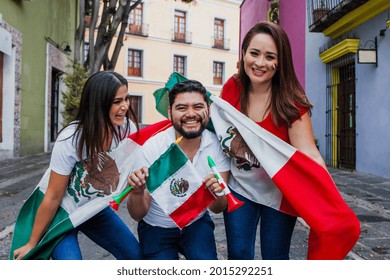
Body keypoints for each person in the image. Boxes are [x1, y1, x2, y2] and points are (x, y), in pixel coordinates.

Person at [221, 21, 327, 260]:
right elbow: (218, 131)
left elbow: (309, 153)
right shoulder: (231, 88)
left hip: (280, 193)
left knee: (275, 257)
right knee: (237, 256)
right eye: (254, 53)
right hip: (241, 187)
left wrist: (329, 196)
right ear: (244, 54)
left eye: (270, 56)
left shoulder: (292, 102)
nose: (260, 63)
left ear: (280, 63)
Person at [13, 71, 142, 260]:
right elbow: (53, 196)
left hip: (93, 208)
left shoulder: (127, 129)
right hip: (62, 212)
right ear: (98, 104)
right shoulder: (71, 138)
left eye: (126, 99)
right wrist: (32, 243)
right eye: (117, 102)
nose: (125, 106)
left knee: (136, 256)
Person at [126, 80, 230, 260]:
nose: (191, 114)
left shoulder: (217, 145)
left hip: (196, 224)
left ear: (208, 110)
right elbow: (137, 214)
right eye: (182, 108)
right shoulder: (152, 149)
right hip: (156, 227)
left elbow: (218, 208)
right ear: (169, 112)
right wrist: (136, 193)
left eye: (198, 106)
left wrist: (218, 193)